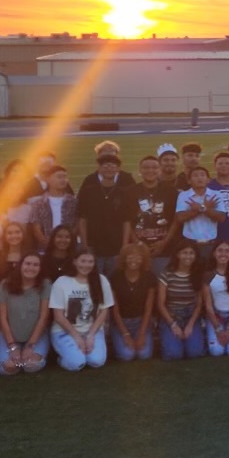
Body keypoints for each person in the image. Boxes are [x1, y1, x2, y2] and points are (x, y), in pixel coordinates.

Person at [75, 143, 138, 274]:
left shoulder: (124, 191)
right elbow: (82, 218)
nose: (109, 169)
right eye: (105, 166)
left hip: (116, 247)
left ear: (117, 169)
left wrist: (125, 245)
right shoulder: (88, 189)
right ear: (99, 168)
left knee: (113, 281)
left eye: (112, 166)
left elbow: (127, 220)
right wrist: (85, 245)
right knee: (93, 280)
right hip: (94, 245)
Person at [50, 247, 111, 370]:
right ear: (75, 261)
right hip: (65, 331)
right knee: (76, 364)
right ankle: (63, 358)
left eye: (90, 262)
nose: (86, 265)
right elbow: (58, 316)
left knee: (97, 361)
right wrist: (76, 337)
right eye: (83, 261)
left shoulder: (101, 280)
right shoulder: (62, 282)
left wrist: (90, 336)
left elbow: (104, 311)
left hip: (92, 329)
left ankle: (81, 352)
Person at [0, 252, 52, 373]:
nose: (31, 268)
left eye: (36, 265)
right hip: (10, 336)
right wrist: (12, 346)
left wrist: (31, 345)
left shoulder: (45, 284)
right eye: (28, 264)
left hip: (36, 336)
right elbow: (2, 318)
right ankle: (14, 356)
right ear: (20, 265)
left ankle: (29, 352)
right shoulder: (5, 284)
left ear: (40, 268)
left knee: (31, 366)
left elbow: (44, 317)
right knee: (9, 368)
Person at [106, 243, 160, 361]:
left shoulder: (149, 276)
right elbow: (115, 311)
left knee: (144, 355)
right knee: (127, 356)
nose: (134, 260)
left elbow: (148, 309)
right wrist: (125, 335)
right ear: (124, 259)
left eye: (138, 257)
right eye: (130, 256)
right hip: (120, 322)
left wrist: (141, 334)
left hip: (141, 321)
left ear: (143, 259)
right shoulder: (114, 277)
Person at [156, 243, 206, 360]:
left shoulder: (198, 275)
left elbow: (199, 305)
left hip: (191, 317)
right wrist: (173, 325)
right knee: (174, 355)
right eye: (184, 253)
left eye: (191, 253)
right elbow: (160, 304)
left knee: (194, 353)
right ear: (178, 255)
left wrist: (190, 325)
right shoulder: (166, 274)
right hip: (171, 317)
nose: (188, 256)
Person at [200, 241, 229, 357]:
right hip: (216, 317)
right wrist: (218, 329)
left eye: (227, 251)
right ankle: (212, 333)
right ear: (214, 253)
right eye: (220, 250)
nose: (223, 254)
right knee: (217, 352)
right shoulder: (208, 276)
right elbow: (208, 306)